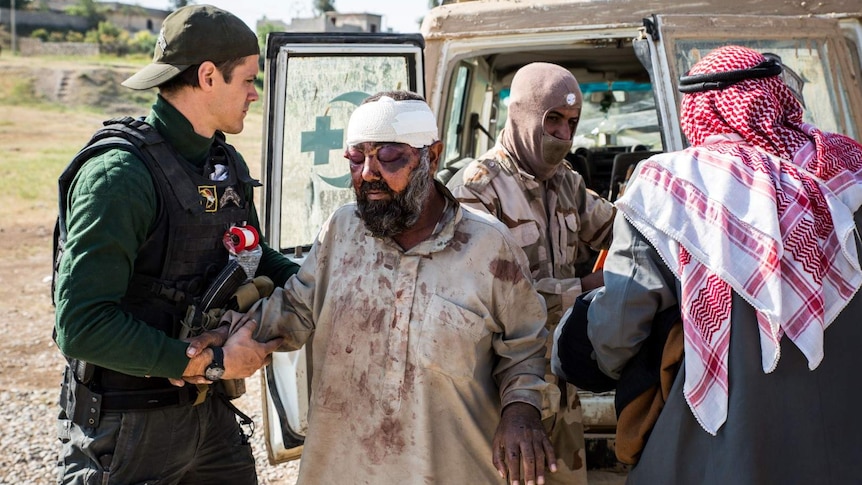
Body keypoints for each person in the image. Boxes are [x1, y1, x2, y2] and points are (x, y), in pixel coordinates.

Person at [204, 90, 557, 484]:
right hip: (343, 468)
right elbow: (295, 310)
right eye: (357, 158)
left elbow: (525, 347)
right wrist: (224, 338)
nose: (368, 173)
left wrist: (521, 410)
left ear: (432, 156)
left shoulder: (490, 247)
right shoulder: (341, 230)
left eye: (388, 157)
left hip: (450, 470)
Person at [584, 45, 862, 484]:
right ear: (777, 95)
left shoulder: (669, 188)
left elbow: (617, 331)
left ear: (698, 108)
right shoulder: (848, 169)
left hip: (717, 451)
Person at [53, 5, 298, 484]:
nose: (254, 93)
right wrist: (211, 364)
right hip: (128, 428)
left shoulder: (220, 162)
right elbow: (80, 324)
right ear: (208, 76)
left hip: (209, 419)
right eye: (248, 80)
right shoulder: (119, 177)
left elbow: (251, 253)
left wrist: (320, 286)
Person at [446, 61, 616, 481]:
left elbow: (617, 228)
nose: (564, 135)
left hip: (560, 379)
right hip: (503, 392)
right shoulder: (477, 189)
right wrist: (585, 288)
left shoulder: (566, 182)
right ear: (522, 115)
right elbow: (484, 300)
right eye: (552, 120)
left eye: (573, 123)